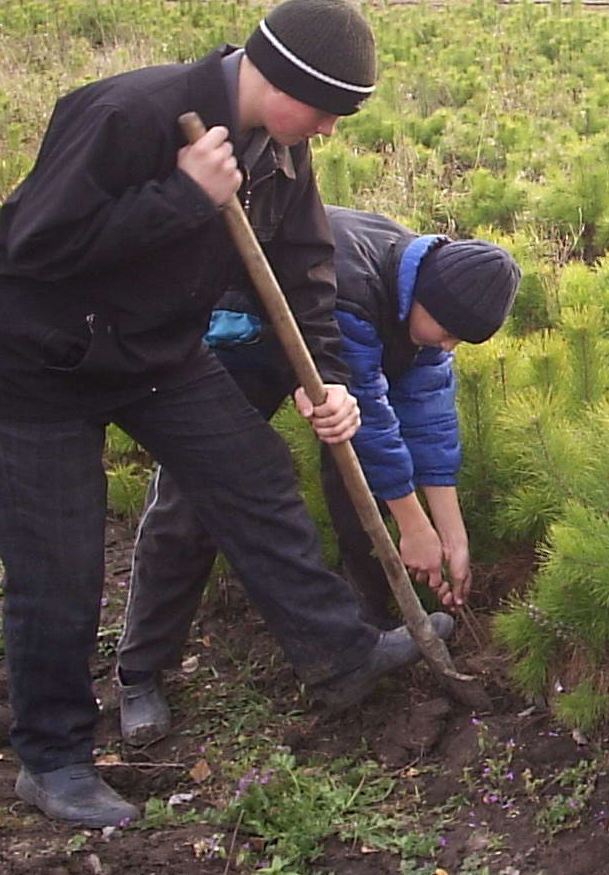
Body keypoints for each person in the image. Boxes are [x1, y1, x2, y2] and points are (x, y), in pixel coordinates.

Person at [0, 0, 450, 827]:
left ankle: (341, 655)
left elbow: (305, 266)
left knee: (250, 471)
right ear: (281, 78)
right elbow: (39, 246)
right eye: (326, 109)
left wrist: (324, 378)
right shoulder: (125, 113)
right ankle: (55, 759)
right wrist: (183, 198)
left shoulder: (279, 152)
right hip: (34, 361)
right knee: (58, 564)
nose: (328, 129)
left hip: (152, 352)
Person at [115, 208, 521, 745]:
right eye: (445, 334)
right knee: (195, 498)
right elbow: (373, 425)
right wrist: (415, 529)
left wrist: (451, 534)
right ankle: (139, 670)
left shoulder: (428, 293)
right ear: (424, 298)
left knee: (359, 485)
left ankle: (367, 632)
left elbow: (428, 419)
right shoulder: (354, 286)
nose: (446, 348)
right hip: (241, 337)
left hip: (329, 363)